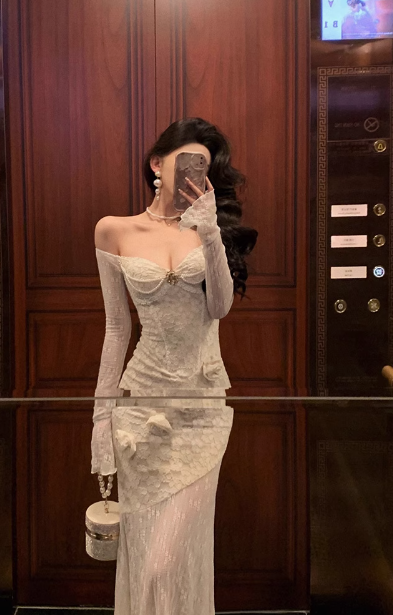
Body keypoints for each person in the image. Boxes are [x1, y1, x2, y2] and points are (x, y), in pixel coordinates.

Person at [91, 117, 257, 615]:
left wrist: (209, 230)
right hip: (140, 412)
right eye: (186, 161)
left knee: (168, 562)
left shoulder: (209, 231)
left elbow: (220, 307)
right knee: (145, 556)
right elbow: (116, 329)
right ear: (157, 164)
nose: (193, 173)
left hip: (201, 410)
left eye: (203, 167)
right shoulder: (113, 230)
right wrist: (101, 420)